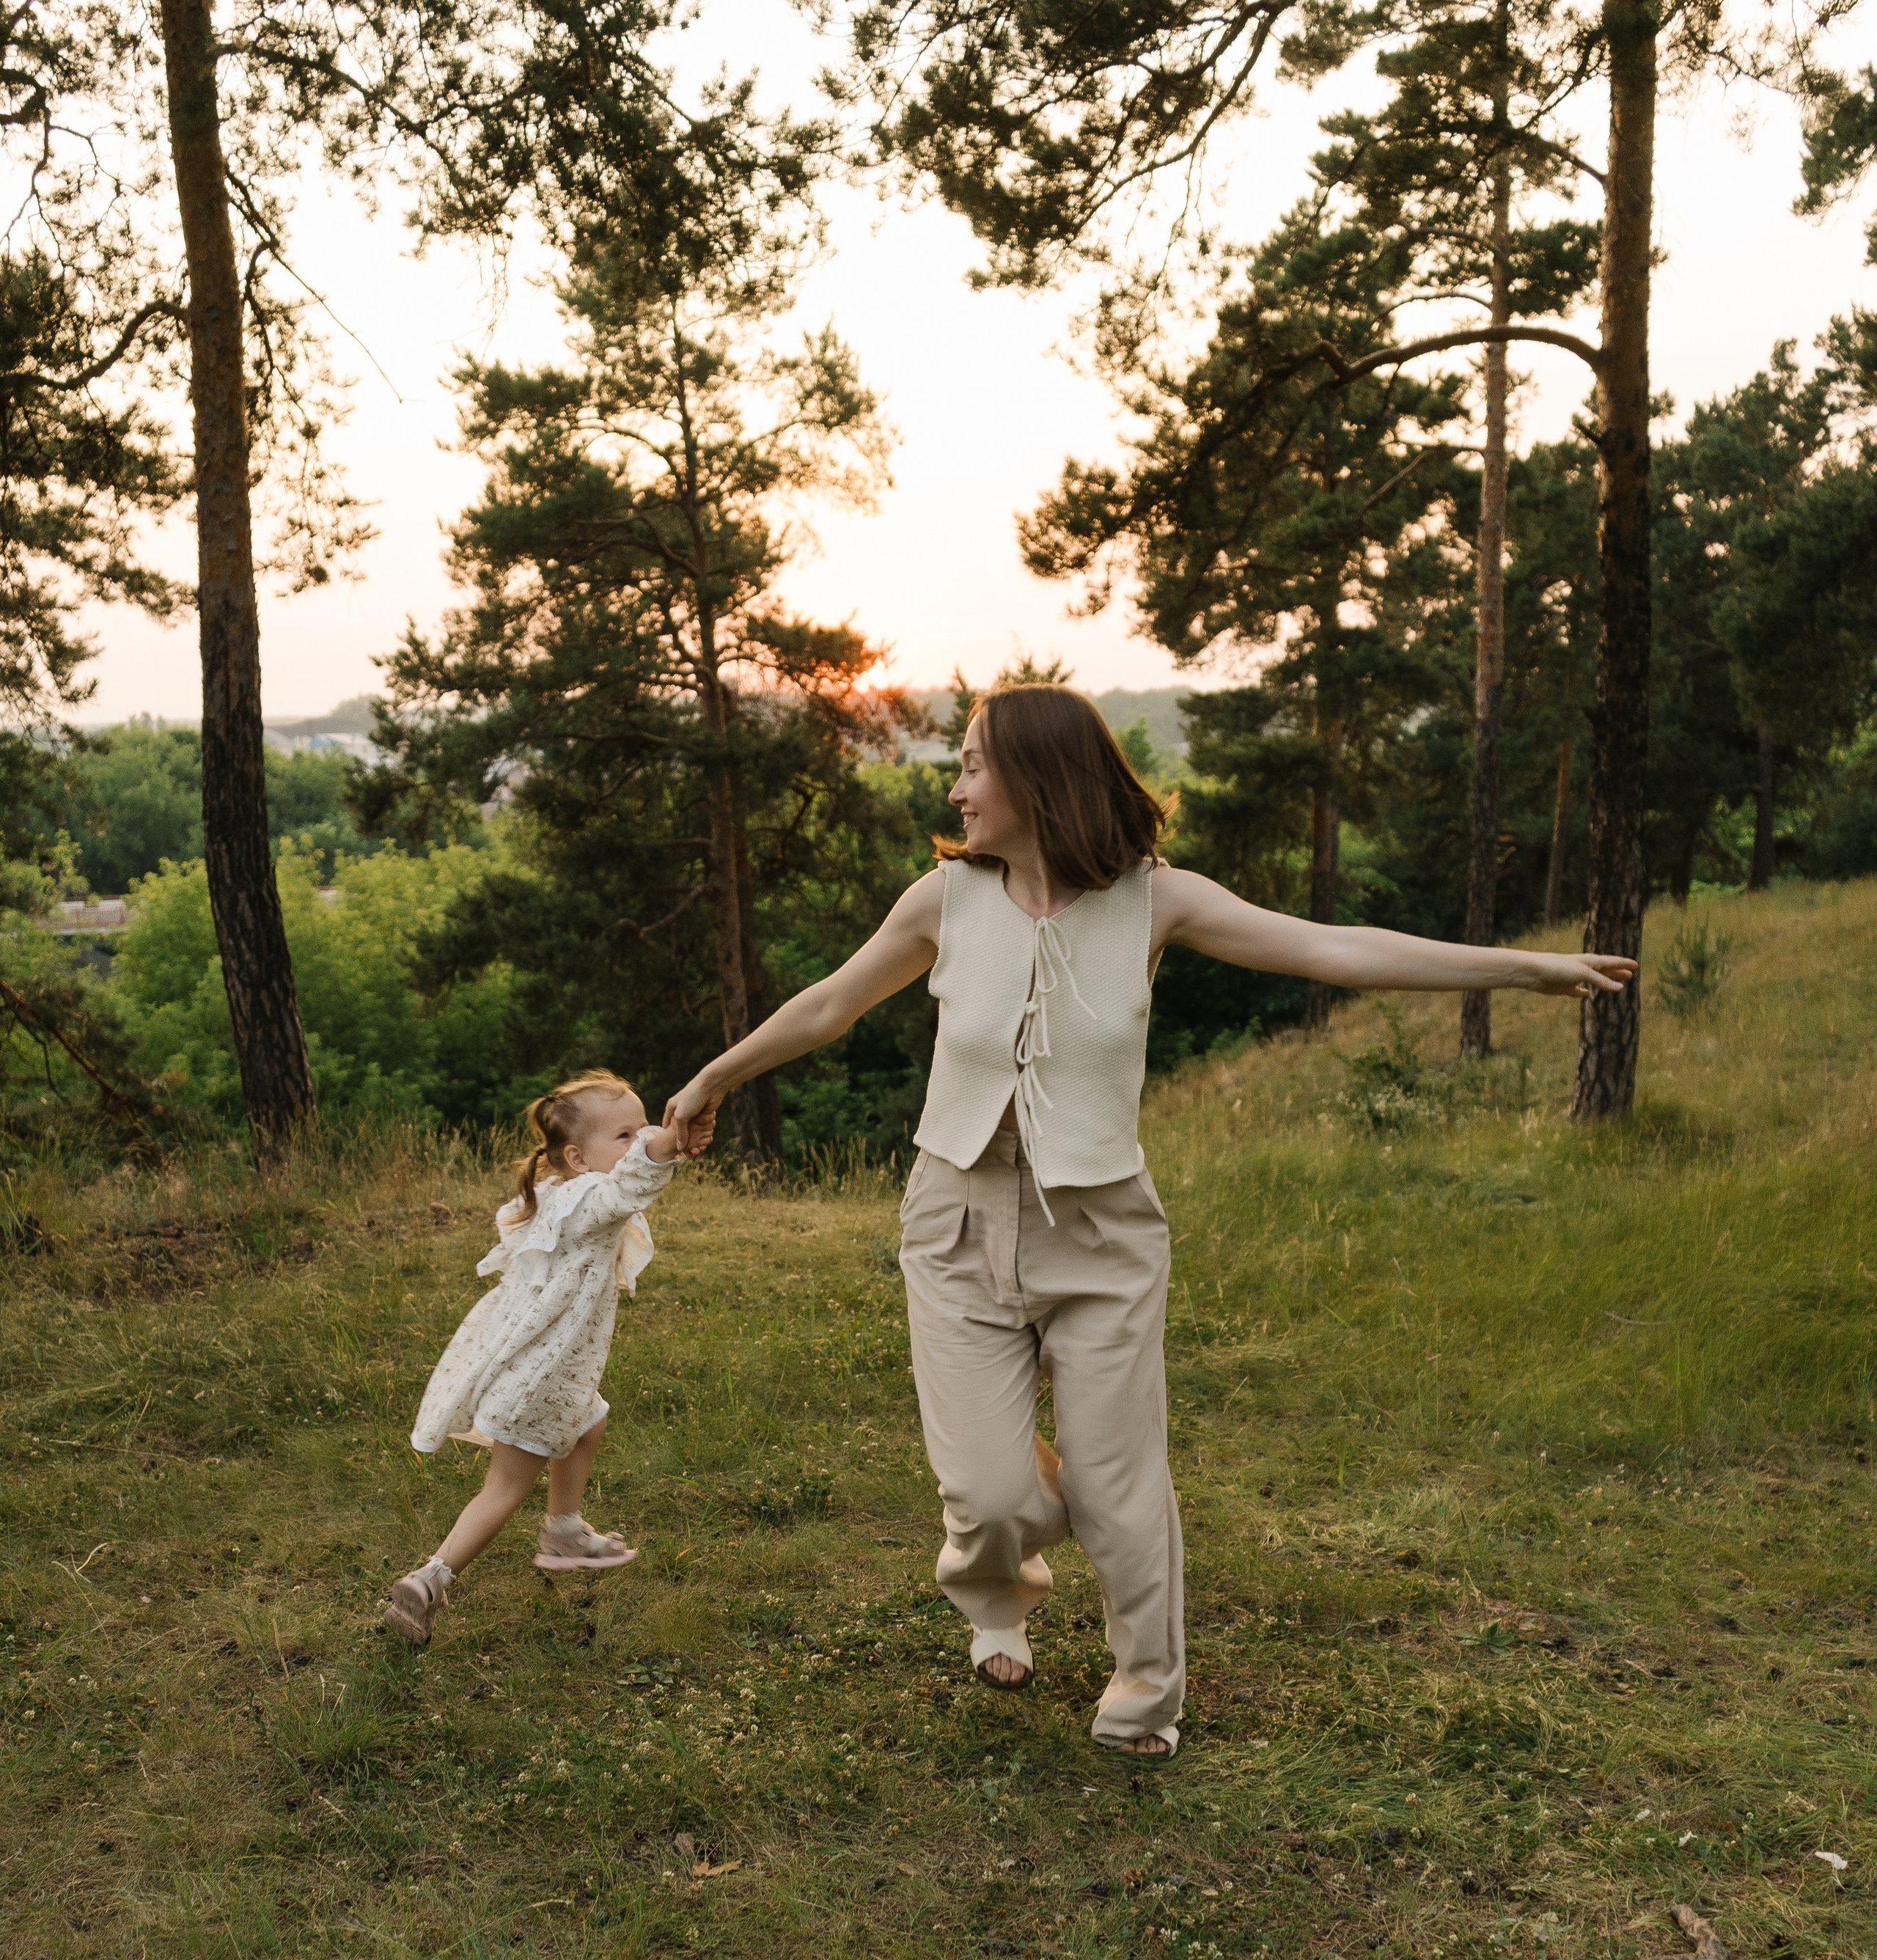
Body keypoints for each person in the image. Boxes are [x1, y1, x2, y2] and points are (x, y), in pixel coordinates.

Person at [664, 686, 1634, 1756]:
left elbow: (1333, 950)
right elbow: (827, 1006)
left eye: (975, 764)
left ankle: (1144, 1693)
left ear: (1038, 778)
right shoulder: (945, 899)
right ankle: (1000, 1598)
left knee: (1121, 1494)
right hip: (955, 1223)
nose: (956, 786)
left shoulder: (1155, 901)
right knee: (986, 1498)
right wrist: (716, 1074)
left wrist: (1528, 966)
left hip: (1103, 1234)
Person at [383, 1071, 710, 1646]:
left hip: (545, 1373)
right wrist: (670, 1140)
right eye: (625, 1135)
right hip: (541, 1379)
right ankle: (430, 1579)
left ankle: (563, 1531)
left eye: (641, 1130)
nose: (638, 1143)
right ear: (579, 1158)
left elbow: (631, 1171)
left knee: (591, 1419)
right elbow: (634, 1178)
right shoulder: (590, 1197)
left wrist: (667, 1138)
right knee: (504, 1490)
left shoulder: (560, 1195)